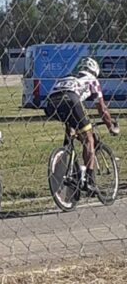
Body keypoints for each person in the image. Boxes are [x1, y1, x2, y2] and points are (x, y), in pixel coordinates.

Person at [44, 57, 119, 192]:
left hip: (51, 104)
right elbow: (102, 108)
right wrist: (111, 127)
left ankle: (69, 156)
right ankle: (89, 181)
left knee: (73, 129)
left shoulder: (68, 76)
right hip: (71, 100)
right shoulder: (92, 79)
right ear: (95, 71)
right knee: (89, 138)